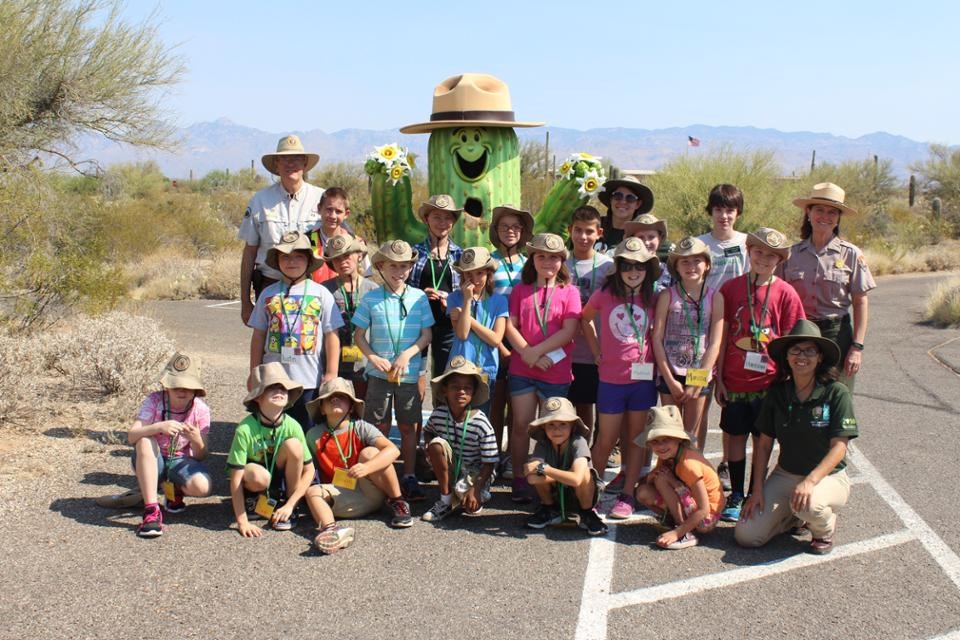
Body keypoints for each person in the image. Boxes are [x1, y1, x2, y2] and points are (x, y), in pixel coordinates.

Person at [736, 320, 859, 555]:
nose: (802, 356)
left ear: (820, 357)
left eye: (810, 350)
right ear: (787, 357)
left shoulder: (836, 392)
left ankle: (824, 529)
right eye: (795, 350)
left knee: (810, 506)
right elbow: (763, 446)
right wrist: (757, 490)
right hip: (786, 473)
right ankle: (792, 517)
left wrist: (810, 481)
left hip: (828, 477)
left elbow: (839, 448)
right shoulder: (778, 392)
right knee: (746, 535)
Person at [716, 228, 805, 522]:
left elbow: (794, 337)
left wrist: (789, 380)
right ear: (749, 252)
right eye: (758, 252)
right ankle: (737, 494)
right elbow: (723, 333)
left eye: (771, 255)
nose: (764, 259)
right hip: (734, 380)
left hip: (769, 382)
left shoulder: (786, 293)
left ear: (779, 260)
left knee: (763, 441)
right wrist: (717, 377)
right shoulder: (730, 289)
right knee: (735, 439)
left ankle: (758, 492)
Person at [227, 363, 354, 553]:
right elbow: (235, 478)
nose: (279, 391)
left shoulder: (292, 425)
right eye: (272, 387)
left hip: (282, 475)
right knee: (258, 475)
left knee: (294, 446)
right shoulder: (245, 428)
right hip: (255, 477)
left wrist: (291, 504)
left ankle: (287, 505)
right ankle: (254, 499)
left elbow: (309, 469)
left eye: (283, 388)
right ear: (258, 398)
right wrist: (241, 521)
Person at [581, 237, 661, 520]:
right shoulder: (605, 293)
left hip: (642, 379)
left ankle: (628, 493)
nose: (633, 270)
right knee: (606, 439)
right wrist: (596, 350)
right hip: (611, 379)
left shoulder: (654, 296)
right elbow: (585, 318)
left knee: (635, 439)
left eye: (639, 266)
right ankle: (591, 489)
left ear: (647, 268)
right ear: (619, 267)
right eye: (627, 265)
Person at [352, 239, 434, 501]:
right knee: (379, 425)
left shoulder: (418, 297)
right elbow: (359, 335)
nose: (399, 272)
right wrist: (373, 357)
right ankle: (381, 473)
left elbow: (426, 334)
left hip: (408, 374)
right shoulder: (371, 298)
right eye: (393, 266)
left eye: (404, 266)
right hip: (378, 374)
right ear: (381, 266)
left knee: (409, 425)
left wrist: (407, 355)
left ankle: (408, 475)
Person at [504, 233, 581, 503]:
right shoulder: (520, 290)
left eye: (554, 257)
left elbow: (570, 331)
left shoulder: (570, 292)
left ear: (562, 261)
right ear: (532, 259)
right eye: (541, 256)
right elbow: (510, 327)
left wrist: (538, 352)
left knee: (555, 428)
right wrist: (530, 354)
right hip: (523, 368)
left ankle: (553, 479)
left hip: (556, 371)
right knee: (522, 425)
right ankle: (519, 478)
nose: (547, 262)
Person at [782, 182, 876, 390]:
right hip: (800, 334)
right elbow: (778, 299)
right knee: (800, 395)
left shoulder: (850, 254)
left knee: (837, 395)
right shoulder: (791, 255)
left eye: (832, 212)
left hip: (837, 334)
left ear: (838, 218)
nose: (825, 216)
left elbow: (860, 303)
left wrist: (857, 347)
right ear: (808, 212)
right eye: (819, 210)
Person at [248, 231, 343, 431]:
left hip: (308, 379)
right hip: (273, 379)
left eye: (298, 256)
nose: (292, 262)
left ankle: (305, 463)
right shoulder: (269, 293)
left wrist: (331, 372)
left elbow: (331, 335)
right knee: (272, 427)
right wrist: (254, 371)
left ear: (308, 261)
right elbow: (258, 336)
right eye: (285, 257)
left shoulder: (321, 293)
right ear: (278, 261)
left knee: (306, 430)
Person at [303, 377, 413, 529]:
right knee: (312, 492)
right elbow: (308, 470)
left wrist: (367, 468)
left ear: (352, 407)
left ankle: (397, 500)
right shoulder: (312, 435)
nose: (335, 399)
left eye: (341, 397)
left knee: (370, 453)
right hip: (339, 493)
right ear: (321, 408)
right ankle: (330, 530)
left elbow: (393, 450)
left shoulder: (361, 427)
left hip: (369, 490)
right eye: (328, 398)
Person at [696, 183, 750, 492]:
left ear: (738, 213)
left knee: (731, 403)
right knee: (700, 400)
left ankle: (729, 464)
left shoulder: (746, 244)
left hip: (738, 332)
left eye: (729, 210)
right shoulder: (700, 245)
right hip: (701, 332)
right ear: (710, 211)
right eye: (718, 209)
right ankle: (696, 459)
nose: (724, 216)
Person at [125, 352, 212, 538]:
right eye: (176, 386)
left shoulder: (201, 409)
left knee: (202, 487)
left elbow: (201, 455)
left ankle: (172, 489)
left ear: (196, 390)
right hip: (150, 460)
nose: (182, 391)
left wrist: (196, 438)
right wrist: (158, 427)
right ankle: (151, 510)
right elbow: (132, 436)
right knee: (145, 440)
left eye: (188, 387)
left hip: (180, 461)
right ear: (167, 386)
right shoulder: (155, 400)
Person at [239, 134, 323, 324]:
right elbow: (249, 251)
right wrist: (245, 302)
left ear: (305, 163)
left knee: (309, 346)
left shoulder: (322, 199)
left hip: (311, 287)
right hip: (270, 285)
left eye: (296, 158)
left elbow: (338, 239)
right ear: (276, 165)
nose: (290, 163)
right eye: (284, 158)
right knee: (269, 348)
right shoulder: (260, 200)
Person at [652, 236, 724, 448]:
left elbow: (715, 342)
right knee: (669, 435)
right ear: (676, 266)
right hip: (670, 373)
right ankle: (666, 478)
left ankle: (691, 478)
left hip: (697, 374)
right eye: (685, 261)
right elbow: (657, 338)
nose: (691, 266)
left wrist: (698, 380)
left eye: (696, 261)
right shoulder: (667, 295)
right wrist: (669, 379)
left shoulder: (715, 298)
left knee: (691, 437)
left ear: (707, 264)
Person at [421, 357, 498, 523]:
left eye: (467, 388)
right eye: (455, 387)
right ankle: (445, 501)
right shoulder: (439, 414)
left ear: (473, 393)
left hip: (476, 473)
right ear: (444, 391)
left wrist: (476, 489)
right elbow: (427, 431)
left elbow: (490, 462)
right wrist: (428, 446)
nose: (461, 392)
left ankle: (473, 494)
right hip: (453, 466)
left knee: (470, 507)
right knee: (436, 446)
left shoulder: (481, 423)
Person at [488, 204, 534, 478]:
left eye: (516, 227)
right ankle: (492, 456)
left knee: (518, 409)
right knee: (496, 401)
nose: (510, 231)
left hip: (523, 343)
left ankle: (511, 457)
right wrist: (501, 345)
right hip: (494, 342)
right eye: (504, 227)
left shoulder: (529, 264)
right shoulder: (489, 262)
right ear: (496, 231)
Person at [635, 406, 722, 550]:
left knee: (661, 479)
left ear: (679, 439)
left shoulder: (689, 464)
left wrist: (677, 533)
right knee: (643, 491)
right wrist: (651, 477)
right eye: (655, 441)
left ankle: (684, 532)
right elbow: (649, 484)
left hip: (706, 518)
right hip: (692, 506)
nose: (661, 446)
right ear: (649, 443)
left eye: (666, 439)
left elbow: (704, 509)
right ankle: (680, 523)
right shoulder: (669, 455)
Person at [524, 397, 607, 536]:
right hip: (557, 493)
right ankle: (549, 509)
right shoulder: (542, 444)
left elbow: (577, 480)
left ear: (573, 426)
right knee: (536, 476)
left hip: (581, 494)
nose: (557, 430)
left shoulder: (578, 442)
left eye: (563, 424)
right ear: (543, 427)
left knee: (585, 473)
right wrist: (561, 476)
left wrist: (545, 469)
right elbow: (531, 478)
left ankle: (587, 513)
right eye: (551, 424)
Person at [566, 205, 615, 438]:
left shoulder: (608, 267)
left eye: (589, 231)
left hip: (596, 348)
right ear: (569, 231)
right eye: (578, 230)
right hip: (566, 349)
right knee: (565, 407)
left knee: (588, 405)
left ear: (599, 233)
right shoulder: (560, 264)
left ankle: (586, 455)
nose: (583, 237)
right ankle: (564, 454)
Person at [409, 194, 464, 385]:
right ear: (426, 219)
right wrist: (420, 294)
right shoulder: (413, 253)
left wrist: (451, 299)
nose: (443, 222)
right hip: (419, 324)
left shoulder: (460, 255)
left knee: (445, 378)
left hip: (448, 325)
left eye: (448, 217)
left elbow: (466, 292)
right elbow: (403, 290)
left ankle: (441, 414)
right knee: (416, 377)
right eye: (437, 217)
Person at [447, 246, 508, 416]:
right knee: (458, 416)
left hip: (486, 369)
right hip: (460, 367)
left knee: (479, 416)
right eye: (468, 274)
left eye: (479, 273)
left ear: (488, 273)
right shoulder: (455, 298)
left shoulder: (499, 301)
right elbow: (462, 334)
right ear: (462, 276)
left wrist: (469, 319)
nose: (474, 279)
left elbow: (496, 339)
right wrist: (467, 300)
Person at [320, 234, 378, 399]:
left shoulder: (372, 290)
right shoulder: (324, 290)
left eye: (347, 256)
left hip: (365, 363)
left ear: (359, 256)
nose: (342, 261)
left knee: (363, 405)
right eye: (337, 258)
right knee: (337, 404)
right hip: (333, 362)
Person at [309, 187, 366, 283]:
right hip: (314, 296)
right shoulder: (307, 241)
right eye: (329, 209)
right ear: (319, 209)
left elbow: (365, 280)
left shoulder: (358, 243)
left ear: (346, 214)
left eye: (338, 211)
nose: (333, 216)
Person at [596, 175, 655, 252]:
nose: (623, 201)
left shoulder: (642, 234)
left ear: (638, 204)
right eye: (618, 196)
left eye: (630, 198)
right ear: (611, 199)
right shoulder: (595, 226)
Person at [623, 212, 672, 290]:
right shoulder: (623, 270)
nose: (646, 242)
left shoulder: (669, 272)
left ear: (660, 238)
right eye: (641, 237)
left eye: (651, 237)